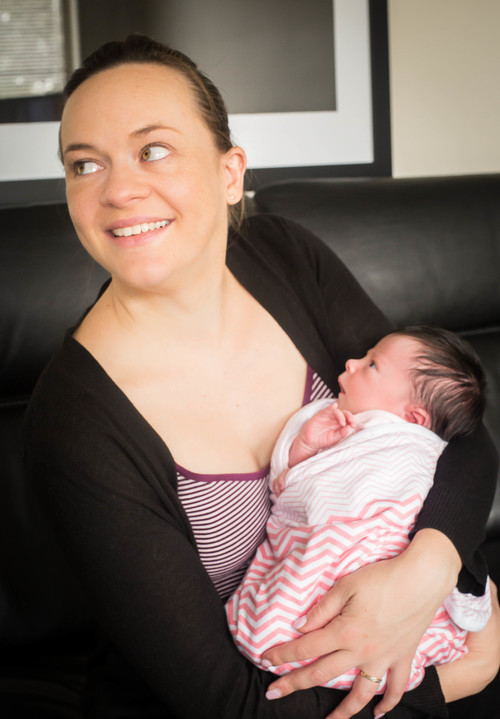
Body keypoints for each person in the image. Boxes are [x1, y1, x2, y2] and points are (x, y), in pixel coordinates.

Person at [23, 34, 500, 719]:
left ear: (229, 172)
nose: (119, 190)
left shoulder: (283, 255)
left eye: (152, 149)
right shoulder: (74, 422)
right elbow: (234, 706)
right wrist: (454, 679)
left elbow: (459, 431)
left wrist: (430, 569)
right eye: (84, 163)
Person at [227, 326, 492, 695]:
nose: (351, 363)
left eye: (371, 364)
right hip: (322, 538)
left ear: (414, 418)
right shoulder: (337, 422)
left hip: (381, 542)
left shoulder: (416, 446)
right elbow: (291, 488)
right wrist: (305, 445)